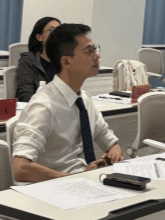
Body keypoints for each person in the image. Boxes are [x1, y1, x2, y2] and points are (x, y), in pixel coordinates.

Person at [12, 23, 124, 183]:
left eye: (95, 49)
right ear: (66, 62)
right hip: (55, 187)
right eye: (89, 51)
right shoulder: (44, 105)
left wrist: (113, 155)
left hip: (84, 181)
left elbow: (110, 142)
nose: (97, 57)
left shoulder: (84, 100)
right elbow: (20, 168)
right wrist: (75, 177)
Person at [15, 17, 61, 102]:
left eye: (59, 31)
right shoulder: (28, 61)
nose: (56, 34)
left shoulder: (64, 61)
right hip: (38, 107)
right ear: (39, 37)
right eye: (51, 30)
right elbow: (25, 96)